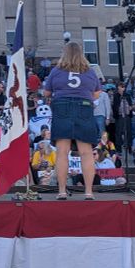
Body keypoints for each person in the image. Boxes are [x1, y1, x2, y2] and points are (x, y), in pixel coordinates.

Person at [42, 42, 100, 199]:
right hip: (84, 107)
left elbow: (47, 92)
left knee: (62, 152)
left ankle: (61, 191)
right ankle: (88, 192)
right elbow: (96, 94)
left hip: (62, 107)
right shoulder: (89, 72)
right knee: (86, 152)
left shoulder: (57, 71)